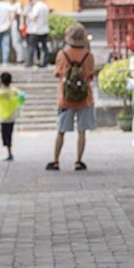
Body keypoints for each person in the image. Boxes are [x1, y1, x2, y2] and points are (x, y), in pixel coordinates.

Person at [49, 23, 95, 171]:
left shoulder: (62, 54)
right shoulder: (89, 55)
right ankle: (78, 161)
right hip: (84, 98)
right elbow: (90, 75)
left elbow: (57, 73)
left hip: (65, 98)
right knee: (82, 132)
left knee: (60, 131)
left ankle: (56, 160)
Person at [0, 71, 26, 162]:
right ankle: (9, 152)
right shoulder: (14, 91)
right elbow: (22, 98)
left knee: (5, 135)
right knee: (9, 134)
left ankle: (9, 153)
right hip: (11, 117)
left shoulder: (0, 93)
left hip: (2, 117)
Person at [24, 0, 51, 67]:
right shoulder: (45, 6)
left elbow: (33, 17)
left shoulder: (36, 7)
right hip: (44, 30)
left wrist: (28, 14)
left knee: (31, 47)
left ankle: (29, 63)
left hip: (35, 30)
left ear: (34, 0)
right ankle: (45, 62)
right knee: (44, 47)